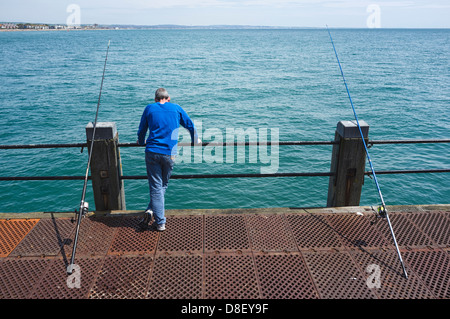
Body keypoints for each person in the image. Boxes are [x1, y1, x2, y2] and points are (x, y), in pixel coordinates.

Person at [137, 88, 200, 231]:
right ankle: (157, 217)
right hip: (170, 153)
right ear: (169, 98)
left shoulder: (149, 108)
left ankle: (157, 219)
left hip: (152, 151)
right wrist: (195, 140)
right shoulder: (176, 108)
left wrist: (141, 142)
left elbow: (142, 130)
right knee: (162, 185)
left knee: (156, 187)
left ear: (155, 99)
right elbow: (190, 125)